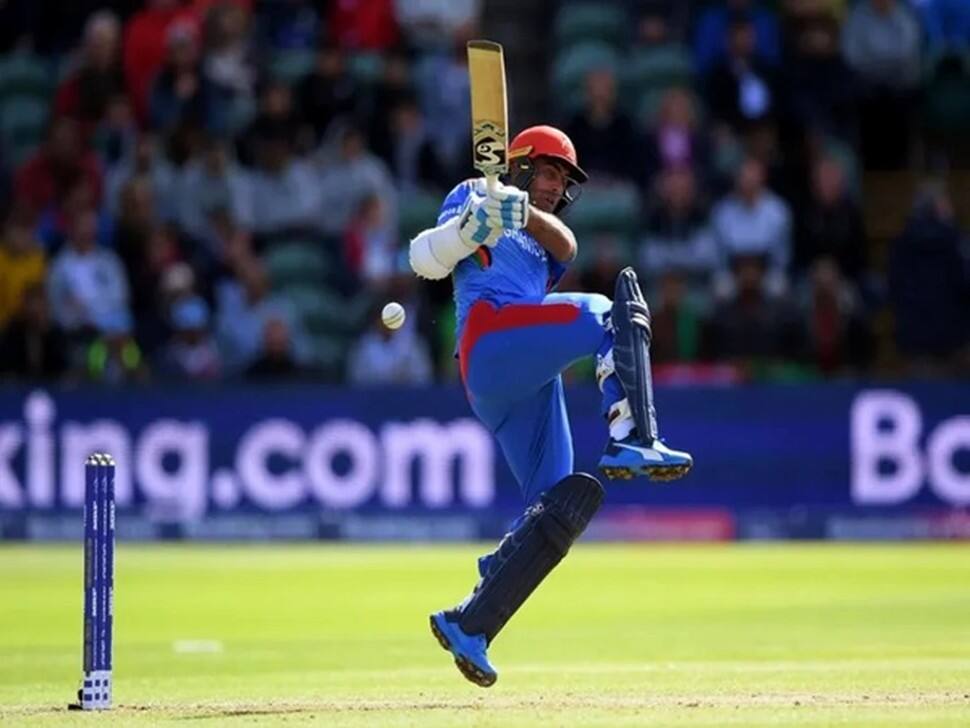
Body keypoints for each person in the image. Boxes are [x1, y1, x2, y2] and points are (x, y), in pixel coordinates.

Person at [408, 125, 693, 687]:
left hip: (520, 381)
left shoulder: (542, 237)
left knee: (558, 506)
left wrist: (517, 211)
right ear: (517, 166)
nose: (555, 187)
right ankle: (632, 435)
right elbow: (423, 259)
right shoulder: (471, 192)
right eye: (548, 172)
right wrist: (470, 228)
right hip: (489, 345)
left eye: (563, 180)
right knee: (609, 314)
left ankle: (472, 624)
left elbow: (567, 243)